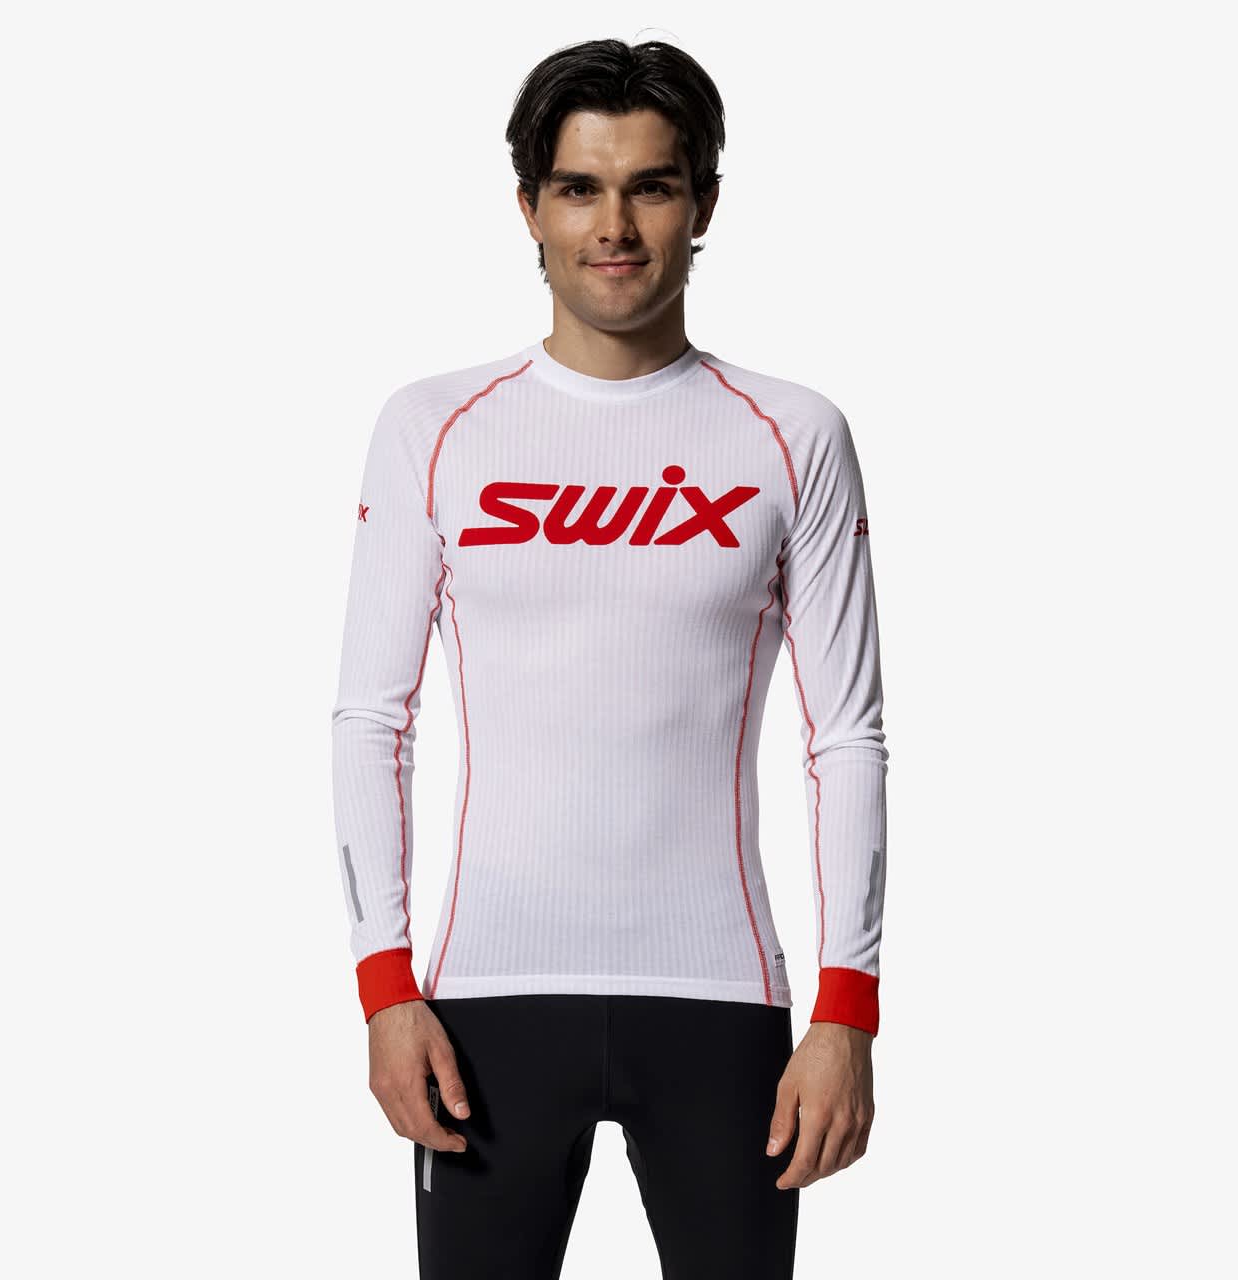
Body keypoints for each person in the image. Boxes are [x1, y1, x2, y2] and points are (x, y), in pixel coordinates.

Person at [330, 37, 889, 1280]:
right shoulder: (433, 427)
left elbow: (845, 734)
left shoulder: (792, 433)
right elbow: (372, 719)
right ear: (528, 207)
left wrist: (846, 1007)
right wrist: (384, 985)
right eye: (579, 188)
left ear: (704, 203)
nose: (614, 226)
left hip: (721, 999)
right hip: (482, 1002)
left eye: (652, 186)